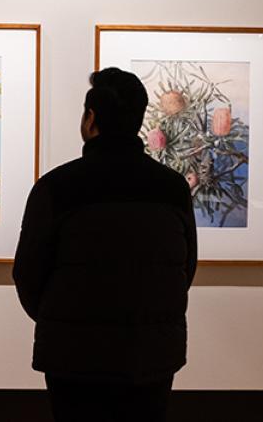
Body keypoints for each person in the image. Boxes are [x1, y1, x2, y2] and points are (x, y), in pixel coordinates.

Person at [13, 67, 197, 422]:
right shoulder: (171, 188)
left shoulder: (57, 187)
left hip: (74, 357)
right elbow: (185, 269)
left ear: (91, 119)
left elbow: (28, 274)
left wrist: (65, 319)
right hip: (151, 354)